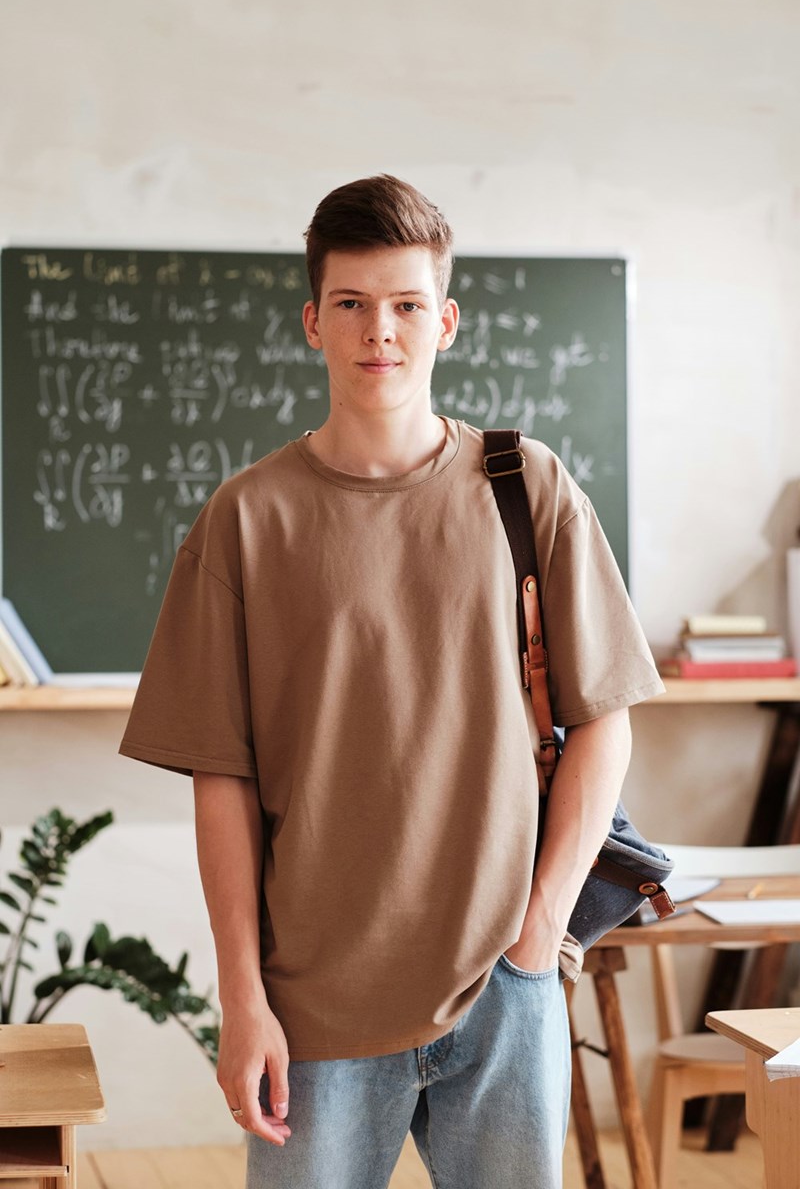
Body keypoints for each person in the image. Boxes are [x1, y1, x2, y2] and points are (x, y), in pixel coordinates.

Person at [120, 174, 663, 1189]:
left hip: (502, 983)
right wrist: (242, 999)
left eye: (408, 304)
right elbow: (220, 780)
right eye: (353, 304)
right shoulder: (245, 521)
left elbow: (604, 723)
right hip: (312, 1004)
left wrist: (538, 930)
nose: (382, 331)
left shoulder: (525, 486)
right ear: (312, 322)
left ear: (446, 321)